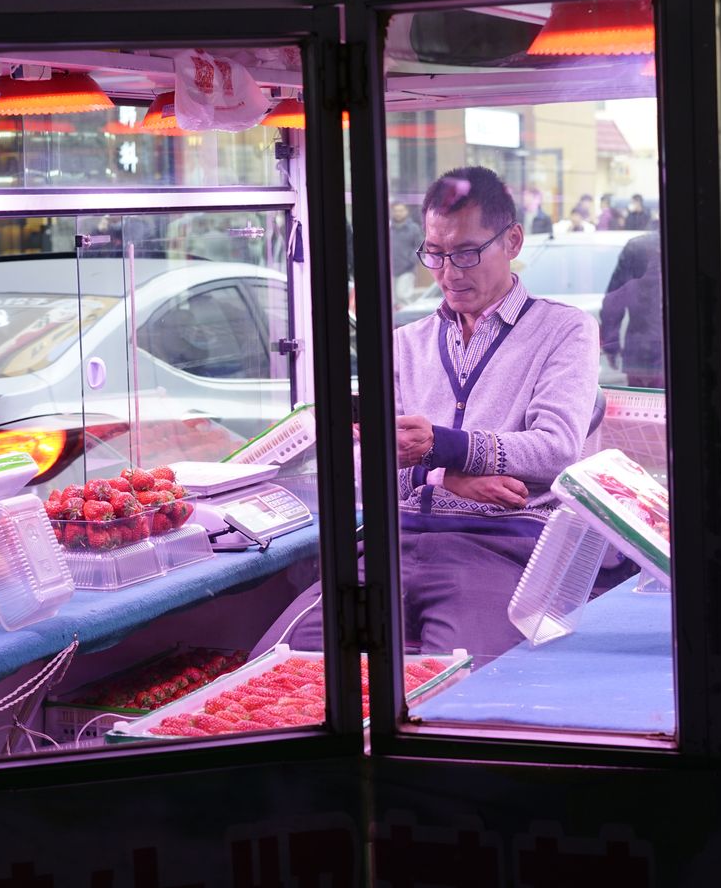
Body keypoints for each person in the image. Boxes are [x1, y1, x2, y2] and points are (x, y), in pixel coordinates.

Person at [254, 166, 600, 659]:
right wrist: (442, 479)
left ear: (513, 240)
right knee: (280, 667)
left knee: (463, 690)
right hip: (389, 546)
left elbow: (556, 449)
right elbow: (359, 466)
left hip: (500, 550)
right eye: (435, 254)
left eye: (466, 253)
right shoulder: (403, 344)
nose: (449, 273)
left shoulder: (564, 330)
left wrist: (440, 446)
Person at [600, 233, 664, 387]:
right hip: (675, 351)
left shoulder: (636, 247)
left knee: (641, 404)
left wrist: (611, 345)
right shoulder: (693, 241)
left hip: (639, 350)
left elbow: (613, 302)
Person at [389, 201, 424, 308]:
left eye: (401, 210)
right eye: (396, 211)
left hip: (407, 270)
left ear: (406, 212)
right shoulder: (388, 228)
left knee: (403, 296)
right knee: (392, 299)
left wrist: (411, 260)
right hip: (390, 270)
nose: (398, 213)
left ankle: (407, 321)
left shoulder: (413, 229)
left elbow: (420, 247)